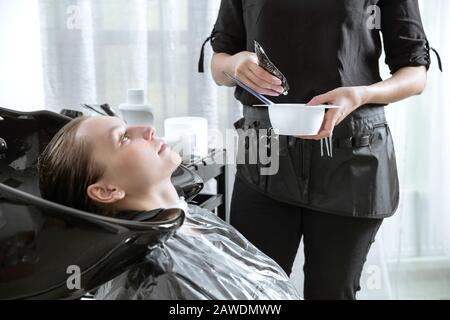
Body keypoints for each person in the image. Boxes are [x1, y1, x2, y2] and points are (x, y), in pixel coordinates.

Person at [204, 0, 441, 299]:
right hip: (264, 159)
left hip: (352, 158)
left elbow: (415, 74)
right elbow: (219, 64)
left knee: (332, 292)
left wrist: (362, 94)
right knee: (253, 293)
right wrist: (232, 65)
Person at [37, 115, 301, 300]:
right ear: (107, 191)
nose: (147, 129)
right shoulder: (154, 278)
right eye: (124, 138)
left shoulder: (189, 219)